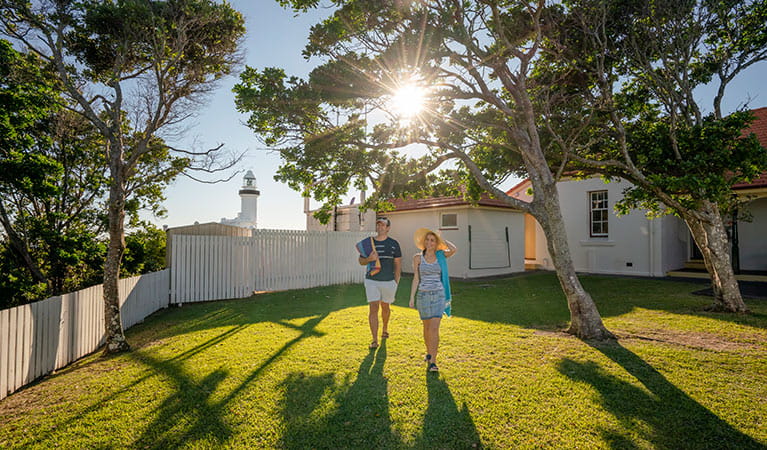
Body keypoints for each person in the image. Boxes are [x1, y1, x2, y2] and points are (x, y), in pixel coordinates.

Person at [409, 228, 457, 372]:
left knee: (434, 328)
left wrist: (442, 238)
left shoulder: (441, 256)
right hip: (423, 296)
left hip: (438, 295)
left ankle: (433, 362)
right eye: (428, 240)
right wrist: (412, 297)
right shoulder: (417, 258)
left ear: (436, 243)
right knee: (427, 328)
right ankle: (429, 353)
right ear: (424, 242)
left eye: (432, 240)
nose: (429, 243)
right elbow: (416, 278)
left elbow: (454, 249)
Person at [358, 217, 402, 349]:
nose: (380, 227)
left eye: (383, 225)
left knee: (385, 307)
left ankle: (385, 329)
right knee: (373, 308)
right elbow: (361, 261)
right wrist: (369, 258)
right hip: (372, 280)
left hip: (389, 281)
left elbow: (398, 264)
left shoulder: (394, 244)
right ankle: (374, 340)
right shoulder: (368, 243)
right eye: (378, 225)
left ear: (388, 228)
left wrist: (396, 282)